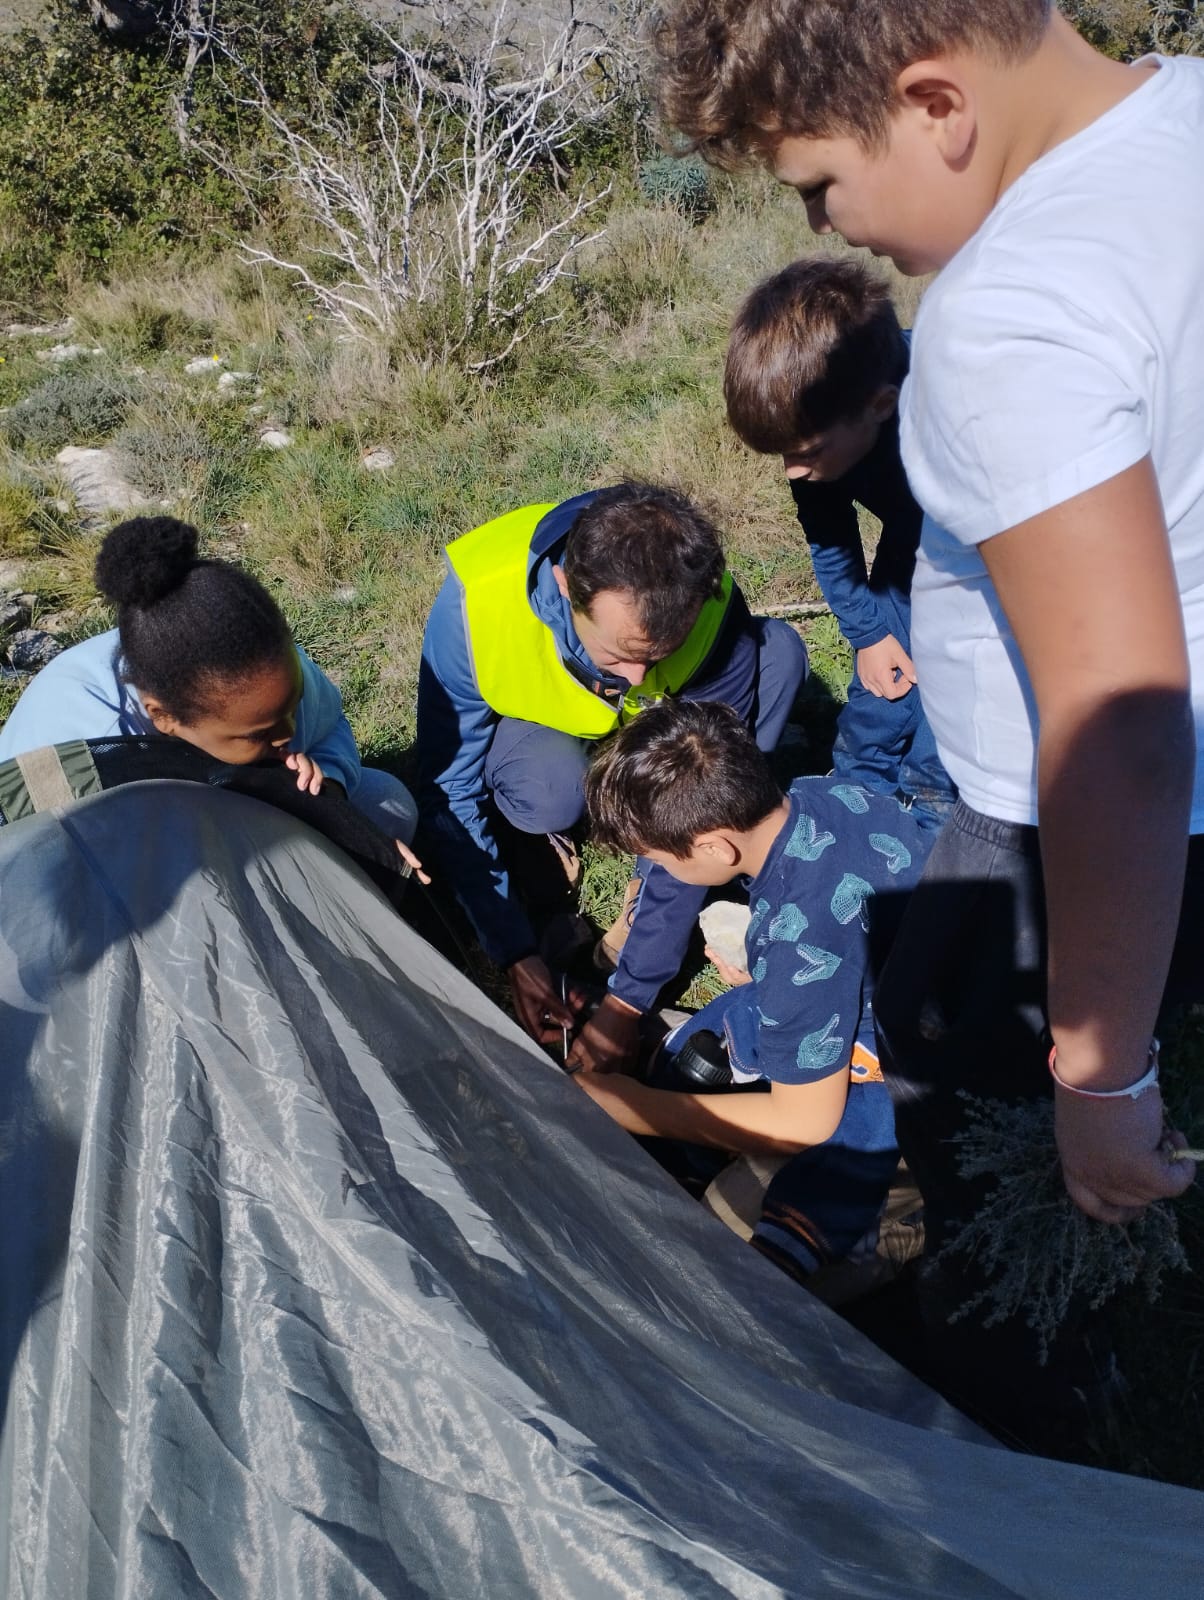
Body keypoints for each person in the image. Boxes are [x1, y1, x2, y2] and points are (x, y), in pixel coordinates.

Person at [652, 0, 1204, 1436]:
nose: (840, 227)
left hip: (1056, 825)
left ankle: (1030, 1415)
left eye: (820, 183)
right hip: (1112, 810)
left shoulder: (1003, 316)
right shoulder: (1185, 122)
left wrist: (1100, 1069)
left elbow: (1120, 722)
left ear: (934, 100)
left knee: (976, 1116)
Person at [416, 482, 808, 1071]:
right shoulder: (477, 608)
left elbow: (695, 802)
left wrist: (626, 1002)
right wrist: (514, 950)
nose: (634, 677)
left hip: (660, 736)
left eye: (656, 656)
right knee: (550, 792)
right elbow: (449, 786)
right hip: (550, 726)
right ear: (567, 587)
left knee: (777, 657)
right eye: (619, 653)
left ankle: (651, 886)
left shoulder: (704, 601)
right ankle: (551, 829)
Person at [579, 698, 939, 1278]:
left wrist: (633, 1107)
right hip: (899, 979)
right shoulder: (823, 794)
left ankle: (904, 1222)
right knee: (698, 1050)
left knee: (741, 1248)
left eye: (659, 861)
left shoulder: (803, 948)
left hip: (903, 1068)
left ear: (716, 848)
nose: (661, 874)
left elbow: (806, 1123)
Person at [0, 515, 422, 857]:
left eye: (292, 707)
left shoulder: (263, 670)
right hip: (116, 881)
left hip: (222, 826)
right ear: (162, 717)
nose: (289, 734)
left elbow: (330, 729)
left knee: (387, 803)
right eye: (258, 734)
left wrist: (328, 786)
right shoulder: (88, 757)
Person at [725, 256, 953, 816]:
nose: (792, 474)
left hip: (986, 557)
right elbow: (832, 543)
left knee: (947, 708)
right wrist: (869, 635)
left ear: (880, 407)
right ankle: (852, 805)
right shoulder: (821, 426)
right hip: (912, 539)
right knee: (882, 698)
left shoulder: (953, 405)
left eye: (803, 455)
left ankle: (931, 814)